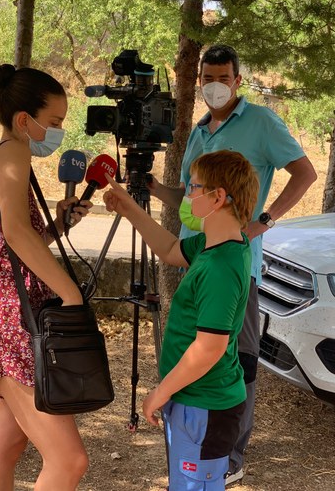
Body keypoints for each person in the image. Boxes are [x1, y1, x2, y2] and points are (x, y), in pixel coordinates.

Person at [148, 44, 317, 484]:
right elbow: (190, 198)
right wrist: (144, 191)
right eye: (207, 77)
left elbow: (305, 173)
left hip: (233, 264)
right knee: (199, 347)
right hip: (195, 258)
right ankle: (193, 434)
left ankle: (228, 456)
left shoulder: (261, 122)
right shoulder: (200, 131)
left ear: (238, 80)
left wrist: (264, 221)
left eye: (222, 77)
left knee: (235, 357)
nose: (213, 85)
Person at [0, 64, 91, 490]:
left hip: (0, 315)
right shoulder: (13, 151)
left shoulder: (0, 157)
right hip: (10, 322)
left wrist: (58, 228)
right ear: (24, 119)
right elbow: (15, 234)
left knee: (4, 449)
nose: (57, 132)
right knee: (69, 460)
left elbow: (6, 245)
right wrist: (70, 292)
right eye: (53, 122)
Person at [104, 149, 260, 490]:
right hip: (195, 401)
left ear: (218, 197)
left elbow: (208, 349)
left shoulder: (220, 267)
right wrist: (129, 207)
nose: (187, 196)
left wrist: (160, 393)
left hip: (204, 404)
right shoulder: (217, 243)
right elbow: (172, 249)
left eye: (193, 187)